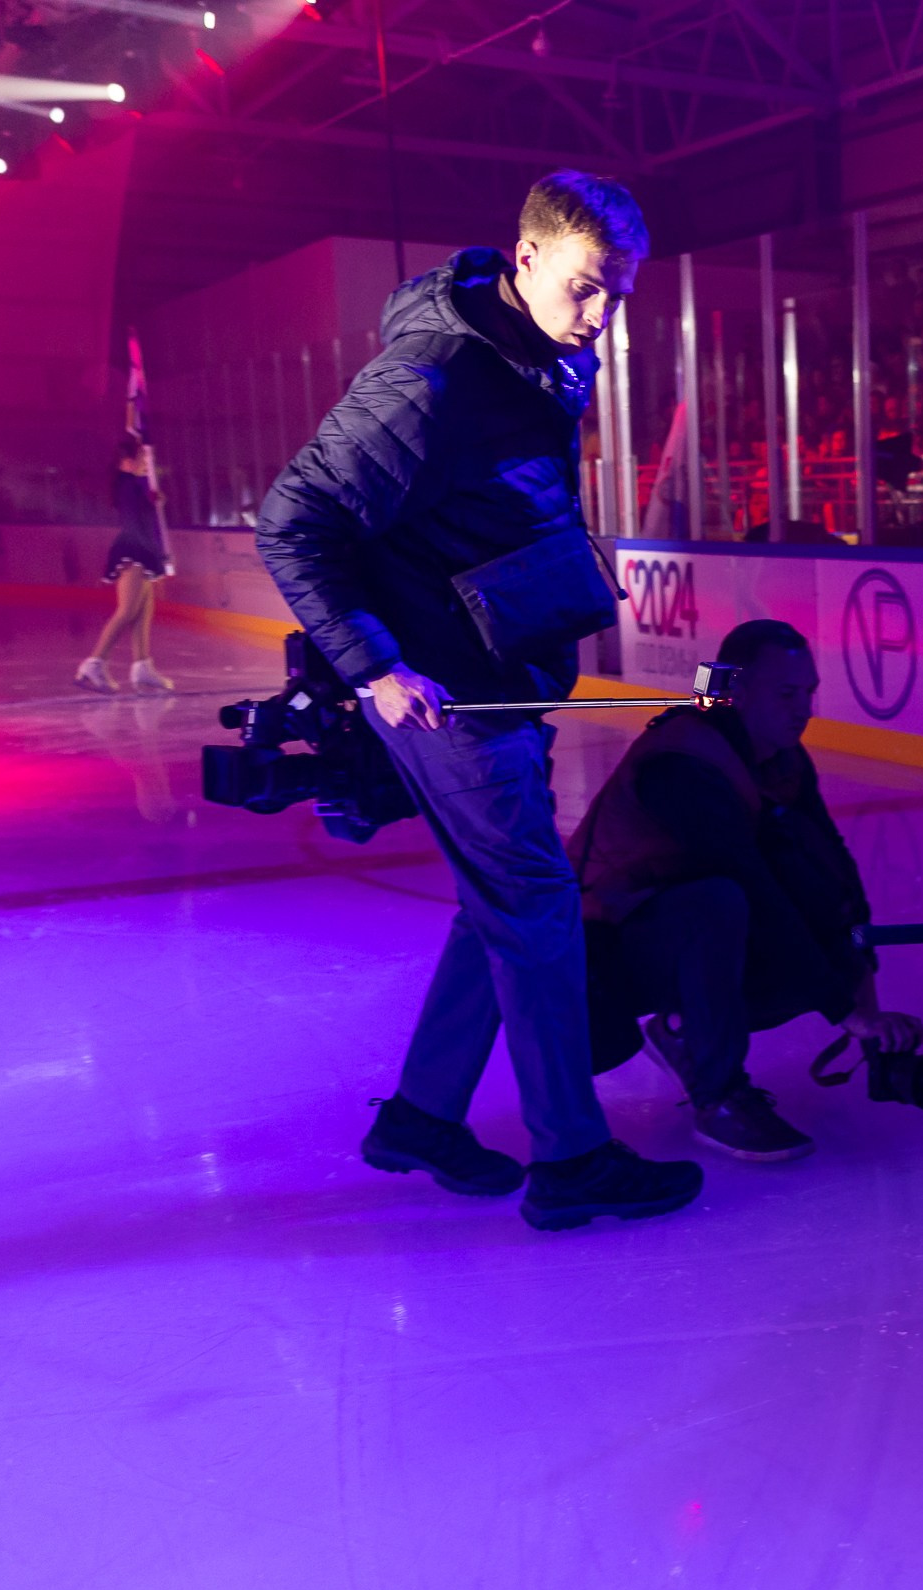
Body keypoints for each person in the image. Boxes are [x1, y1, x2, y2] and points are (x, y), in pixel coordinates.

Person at [257, 170, 702, 1232]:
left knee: (502, 902)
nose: (601, 317)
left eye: (620, 294)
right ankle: (571, 1156)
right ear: (529, 257)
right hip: (449, 695)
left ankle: (420, 1115)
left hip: (497, 679)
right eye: (589, 288)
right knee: (540, 910)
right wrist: (373, 668)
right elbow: (295, 516)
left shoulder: (532, 356)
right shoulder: (437, 379)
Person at [569, 619, 923, 1160]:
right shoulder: (684, 764)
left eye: (808, 693)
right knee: (724, 903)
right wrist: (843, 1010)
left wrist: (862, 994)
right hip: (595, 957)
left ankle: (684, 1030)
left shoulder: (780, 756)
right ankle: (718, 1096)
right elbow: (754, 891)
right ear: (735, 690)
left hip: (667, 926)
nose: (803, 708)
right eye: (786, 694)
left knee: (803, 895)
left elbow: (833, 873)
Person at [75, 434, 175, 694]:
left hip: (141, 549)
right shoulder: (129, 486)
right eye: (141, 459)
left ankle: (142, 666)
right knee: (127, 611)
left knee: (143, 611)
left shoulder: (130, 484)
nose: (145, 464)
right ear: (127, 461)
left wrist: (152, 499)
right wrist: (151, 499)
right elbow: (135, 521)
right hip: (134, 549)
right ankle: (94, 664)